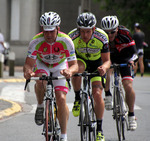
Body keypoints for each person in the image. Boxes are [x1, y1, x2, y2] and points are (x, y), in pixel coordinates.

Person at [23, 11, 78, 141]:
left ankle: (64, 136)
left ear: (58, 29)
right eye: (45, 31)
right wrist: (28, 72)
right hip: (43, 64)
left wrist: (70, 71)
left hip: (60, 65)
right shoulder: (36, 41)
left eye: (51, 31)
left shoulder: (66, 41)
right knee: (41, 80)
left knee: (61, 98)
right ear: (42, 29)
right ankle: (41, 105)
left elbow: (74, 65)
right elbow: (28, 64)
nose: (48, 35)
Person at [68, 12, 111, 141]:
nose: (85, 35)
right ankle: (77, 98)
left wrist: (104, 68)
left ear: (93, 29)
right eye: (82, 31)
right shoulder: (72, 37)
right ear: (78, 30)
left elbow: (107, 60)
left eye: (88, 31)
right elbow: (70, 61)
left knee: (97, 93)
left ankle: (99, 129)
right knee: (77, 69)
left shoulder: (102, 37)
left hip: (97, 64)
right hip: (81, 62)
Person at [101, 15, 138, 131]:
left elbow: (134, 53)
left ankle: (131, 115)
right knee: (107, 68)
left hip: (124, 58)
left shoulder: (125, 34)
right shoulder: (101, 37)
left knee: (127, 85)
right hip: (110, 58)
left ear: (117, 29)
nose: (109, 35)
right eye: (107, 32)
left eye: (112, 32)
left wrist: (132, 61)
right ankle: (107, 94)